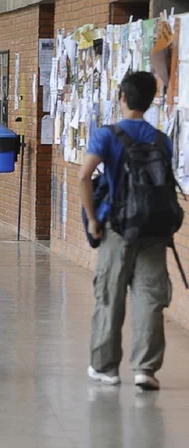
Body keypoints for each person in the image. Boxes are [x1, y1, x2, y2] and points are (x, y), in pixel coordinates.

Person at [78, 72, 173, 391]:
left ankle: (105, 367)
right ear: (150, 101)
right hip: (154, 229)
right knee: (150, 297)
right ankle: (146, 369)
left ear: (122, 97)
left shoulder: (106, 135)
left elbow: (84, 176)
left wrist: (92, 219)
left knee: (110, 294)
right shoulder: (162, 139)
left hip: (117, 227)